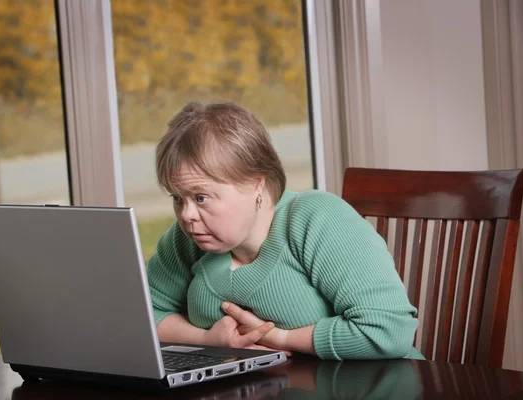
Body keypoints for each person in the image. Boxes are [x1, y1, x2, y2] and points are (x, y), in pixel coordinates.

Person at [146, 101, 424, 360]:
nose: (187, 215)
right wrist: (208, 339)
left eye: (201, 197)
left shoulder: (318, 219)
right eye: (177, 198)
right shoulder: (189, 236)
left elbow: (388, 329)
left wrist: (279, 338)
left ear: (256, 183)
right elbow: (140, 316)